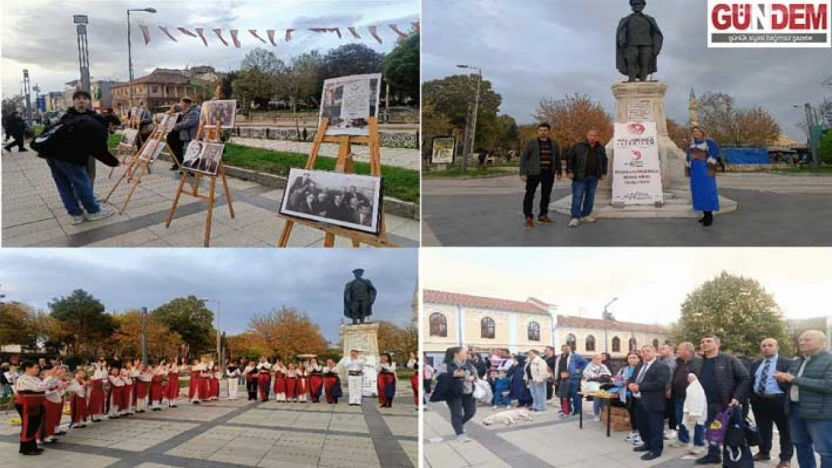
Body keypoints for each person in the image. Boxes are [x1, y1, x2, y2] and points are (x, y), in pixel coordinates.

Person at [38, 95, 121, 224]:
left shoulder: (88, 120)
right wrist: (115, 162)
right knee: (82, 182)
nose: (114, 131)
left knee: (63, 185)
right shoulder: (99, 128)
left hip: (49, 153)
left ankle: (76, 214)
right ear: (110, 123)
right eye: (114, 128)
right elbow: (100, 151)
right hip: (66, 156)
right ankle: (94, 212)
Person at [775, 330, 831, 468]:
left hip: (819, 413)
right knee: (801, 445)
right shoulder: (798, 361)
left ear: (822, 342)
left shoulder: (829, 360)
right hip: (795, 410)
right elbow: (792, 383)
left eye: (807, 340)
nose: (802, 342)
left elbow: (829, 385)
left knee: (826, 451)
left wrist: (794, 379)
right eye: (800, 339)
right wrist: (783, 379)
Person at [691, 335, 750, 465]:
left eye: (708, 341)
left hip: (726, 404)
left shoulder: (729, 359)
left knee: (731, 434)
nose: (704, 343)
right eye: (702, 341)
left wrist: (736, 397)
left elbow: (745, 378)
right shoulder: (698, 362)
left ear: (718, 344)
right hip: (706, 405)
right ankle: (713, 455)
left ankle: (733, 461)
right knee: (711, 432)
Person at [749, 338, 794, 468]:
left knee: (785, 431)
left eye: (770, 345)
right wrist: (752, 397)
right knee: (762, 429)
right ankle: (764, 452)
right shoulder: (756, 364)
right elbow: (751, 381)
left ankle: (785, 458)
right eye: (764, 345)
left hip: (779, 400)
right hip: (759, 401)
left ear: (777, 347)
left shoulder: (787, 363)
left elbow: (792, 382)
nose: (766, 348)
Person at [628, 345, 671, 461]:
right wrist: (631, 384)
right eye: (643, 351)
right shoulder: (640, 365)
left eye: (648, 350)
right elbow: (632, 378)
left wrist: (639, 387)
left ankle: (656, 450)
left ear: (655, 352)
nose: (645, 353)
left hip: (654, 402)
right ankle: (647, 444)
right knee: (642, 425)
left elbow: (660, 383)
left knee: (655, 427)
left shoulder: (662, 367)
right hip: (638, 401)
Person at [519, 122, 562, 229]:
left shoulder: (554, 143)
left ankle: (543, 215)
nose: (543, 132)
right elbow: (524, 158)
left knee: (546, 195)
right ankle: (528, 217)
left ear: (549, 131)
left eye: (545, 130)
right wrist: (523, 173)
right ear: (538, 131)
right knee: (529, 195)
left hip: (548, 173)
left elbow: (557, 159)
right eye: (541, 130)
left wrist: (559, 172)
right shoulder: (531, 143)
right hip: (534, 173)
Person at [14, 361, 59, 455]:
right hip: (27, 405)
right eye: (36, 367)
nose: (38, 370)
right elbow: (39, 388)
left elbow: (46, 386)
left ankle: (32, 446)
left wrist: (53, 377)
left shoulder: (35, 378)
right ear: (27, 368)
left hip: (35, 404)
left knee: (34, 425)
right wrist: (49, 376)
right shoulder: (23, 379)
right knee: (28, 426)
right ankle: (25, 448)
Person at [669, 342, 706, 454]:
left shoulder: (699, 362)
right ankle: (683, 439)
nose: (678, 351)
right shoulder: (678, 362)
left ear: (687, 351)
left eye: (680, 349)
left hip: (693, 399)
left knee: (697, 421)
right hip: (679, 397)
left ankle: (699, 444)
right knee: (681, 420)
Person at [566, 129, 608, 228]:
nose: (593, 137)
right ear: (587, 136)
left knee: (590, 196)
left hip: (594, 176)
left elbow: (604, 160)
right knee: (577, 196)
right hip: (580, 176)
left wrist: (604, 172)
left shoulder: (601, 148)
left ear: (597, 137)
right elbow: (570, 159)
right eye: (591, 135)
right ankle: (575, 217)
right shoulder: (578, 146)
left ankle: (586, 215)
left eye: (595, 135)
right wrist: (569, 171)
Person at [686, 126, 720, 227]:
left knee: (707, 192)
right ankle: (705, 215)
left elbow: (714, 153)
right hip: (695, 171)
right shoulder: (692, 144)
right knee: (698, 192)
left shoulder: (709, 142)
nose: (696, 133)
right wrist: (688, 168)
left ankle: (709, 217)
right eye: (694, 131)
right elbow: (688, 157)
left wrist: (710, 167)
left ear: (702, 132)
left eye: (698, 131)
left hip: (705, 170)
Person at [444, 346, 479, 443]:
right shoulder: (447, 365)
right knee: (456, 413)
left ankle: (459, 424)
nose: (467, 355)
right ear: (456, 354)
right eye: (465, 353)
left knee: (471, 412)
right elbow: (439, 376)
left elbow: (475, 374)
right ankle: (460, 434)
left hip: (468, 391)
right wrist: (453, 375)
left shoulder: (468, 364)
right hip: (453, 392)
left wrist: (473, 377)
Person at [611, 352, 642, 444]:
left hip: (638, 395)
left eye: (634, 357)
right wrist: (621, 382)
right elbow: (617, 380)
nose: (631, 359)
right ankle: (634, 431)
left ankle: (641, 433)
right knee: (631, 413)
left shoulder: (642, 368)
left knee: (639, 414)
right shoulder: (623, 369)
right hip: (626, 395)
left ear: (639, 359)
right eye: (630, 358)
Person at [555, 344, 588, 416]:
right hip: (562, 377)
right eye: (564, 348)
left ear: (570, 349)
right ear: (561, 349)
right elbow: (557, 368)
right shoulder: (559, 357)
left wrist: (578, 370)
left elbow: (585, 363)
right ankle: (567, 409)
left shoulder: (575, 356)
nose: (566, 350)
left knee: (574, 394)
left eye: (567, 348)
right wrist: (556, 378)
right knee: (564, 395)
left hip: (573, 378)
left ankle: (577, 410)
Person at [170, 97, 201, 171]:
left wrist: (177, 126)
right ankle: (189, 169)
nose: (181, 105)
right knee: (187, 153)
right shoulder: (184, 112)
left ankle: (193, 170)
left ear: (187, 104)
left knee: (193, 154)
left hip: (192, 136)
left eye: (182, 103)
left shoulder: (194, 112)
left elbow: (189, 122)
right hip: (186, 137)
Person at [583, 354, 612, 421]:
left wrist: (604, 377)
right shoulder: (589, 366)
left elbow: (609, 374)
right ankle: (596, 414)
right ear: (593, 359)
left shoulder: (603, 366)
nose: (599, 360)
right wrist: (599, 377)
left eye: (600, 359)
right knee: (597, 397)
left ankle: (603, 413)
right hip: (593, 384)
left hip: (603, 383)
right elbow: (589, 375)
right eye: (597, 359)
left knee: (604, 398)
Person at [660, 344, 679, 440]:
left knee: (671, 410)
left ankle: (672, 430)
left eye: (664, 349)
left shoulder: (671, 361)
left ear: (670, 350)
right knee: (666, 409)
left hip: (668, 389)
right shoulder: (662, 360)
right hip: (662, 389)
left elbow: (670, 376)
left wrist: (668, 389)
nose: (661, 350)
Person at [88, 357, 107, 422]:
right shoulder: (94, 368)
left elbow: (104, 376)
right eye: (100, 361)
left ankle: (99, 415)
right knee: (95, 403)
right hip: (95, 388)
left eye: (103, 361)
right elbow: (96, 377)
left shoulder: (104, 369)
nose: (102, 363)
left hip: (101, 388)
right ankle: (94, 416)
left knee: (100, 403)